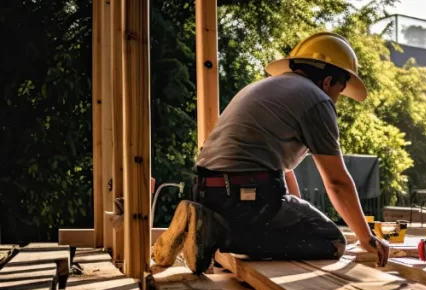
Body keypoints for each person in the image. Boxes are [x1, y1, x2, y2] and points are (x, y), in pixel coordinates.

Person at [152, 32, 390, 274]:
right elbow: (337, 182)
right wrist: (366, 237)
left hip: (207, 191)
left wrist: (299, 213)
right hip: (246, 198)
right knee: (331, 241)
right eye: (339, 91)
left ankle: (206, 224)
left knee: (301, 228)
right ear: (328, 81)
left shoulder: (267, 88)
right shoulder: (317, 100)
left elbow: (282, 170)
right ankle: (218, 233)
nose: (337, 100)